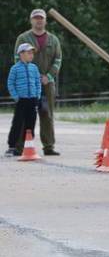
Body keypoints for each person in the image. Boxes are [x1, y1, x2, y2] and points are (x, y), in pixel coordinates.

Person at [14, 9, 62, 156]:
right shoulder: (23, 38)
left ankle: (49, 146)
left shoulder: (53, 40)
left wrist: (48, 76)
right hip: (28, 85)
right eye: (35, 18)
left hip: (47, 84)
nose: (38, 21)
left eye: (41, 18)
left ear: (45, 21)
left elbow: (58, 60)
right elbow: (17, 59)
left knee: (47, 114)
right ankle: (19, 147)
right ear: (31, 20)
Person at [6, 43, 41, 157]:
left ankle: (28, 145)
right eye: (29, 53)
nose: (31, 55)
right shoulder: (15, 68)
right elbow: (10, 83)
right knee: (17, 122)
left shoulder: (34, 68)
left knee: (31, 123)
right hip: (21, 100)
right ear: (21, 54)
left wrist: (38, 95)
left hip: (33, 99)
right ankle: (12, 146)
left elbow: (37, 82)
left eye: (32, 53)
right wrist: (16, 97)